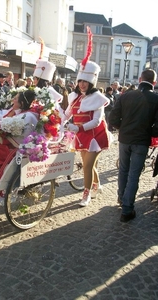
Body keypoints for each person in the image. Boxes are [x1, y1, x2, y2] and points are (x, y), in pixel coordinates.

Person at [63, 26, 111, 207]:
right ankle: (97, 184)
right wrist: (57, 119)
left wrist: (79, 127)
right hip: (81, 134)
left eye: (85, 81)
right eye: (80, 81)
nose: (82, 84)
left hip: (95, 136)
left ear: (91, 82)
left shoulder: (98, 98)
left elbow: (97, 121)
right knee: (87, 164)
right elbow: (67, 113)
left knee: (88, 166)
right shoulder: (75, 97)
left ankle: (86, 195)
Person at [109, 69, 158, 222]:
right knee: (133, 174)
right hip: (141, 140)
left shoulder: (126, 95)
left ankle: (121, 198)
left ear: (139, 79)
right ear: (154, 82)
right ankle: (127, 208)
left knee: (123, 170)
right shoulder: (156, 98)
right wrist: (151, 134)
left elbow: (113, 118)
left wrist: (122, 128)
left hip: (125, 139)